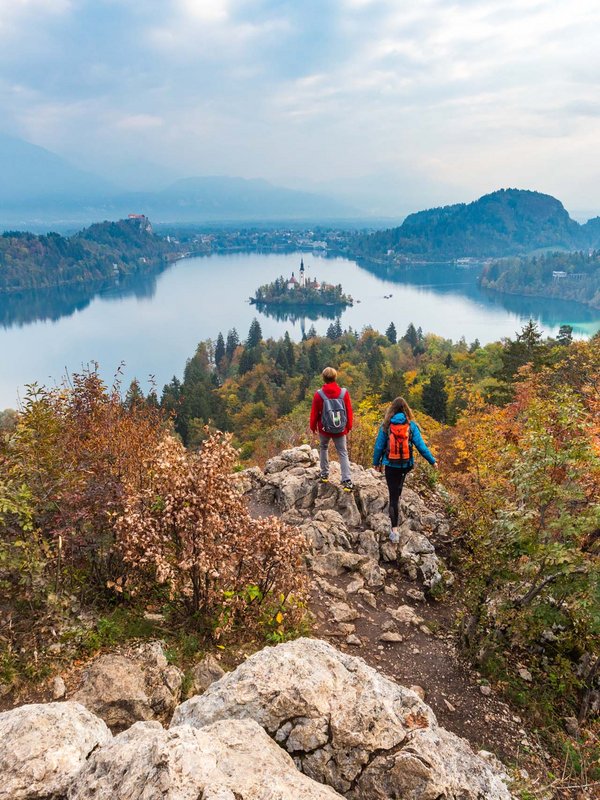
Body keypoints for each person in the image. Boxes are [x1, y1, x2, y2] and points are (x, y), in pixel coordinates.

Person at [372, 396, 436, 542]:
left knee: (392, 495)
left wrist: (376, 463)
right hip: (405, 465)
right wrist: (432, 461)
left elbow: (379, 446)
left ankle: (394, 531)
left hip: (390, 464)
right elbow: (421, 446)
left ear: (391, 410)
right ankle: (397, 499)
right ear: (406, 409)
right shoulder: (411, 425)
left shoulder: (386, 425)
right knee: (398, 489)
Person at [310, 367, 354, 491]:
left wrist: (313, 427)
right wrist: (348, 426)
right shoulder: (343, 393)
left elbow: (314, 413)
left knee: (323, 448)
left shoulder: (319, 394)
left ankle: (324, 474)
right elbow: (349, 411)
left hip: (324, 428)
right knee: (342, 452)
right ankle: (346, 481)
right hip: (340, 428)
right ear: (335, 377)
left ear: (323, 378)